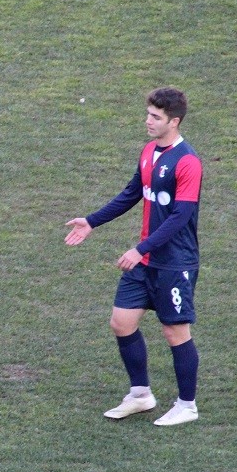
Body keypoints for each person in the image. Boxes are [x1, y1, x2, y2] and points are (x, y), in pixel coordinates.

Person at [65, 86, 203, 426]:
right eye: (148, 114)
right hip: (146, 261)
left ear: (174, 121)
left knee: (175, 332)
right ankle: (141, 395)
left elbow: (180, 217)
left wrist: (140, 248)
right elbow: (131, 193)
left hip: (174, 263)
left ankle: (187, 405)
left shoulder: (187, 162)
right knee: (121, 322)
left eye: (155, 117)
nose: (148, 121)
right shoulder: (148, 152)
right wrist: (92, 221)